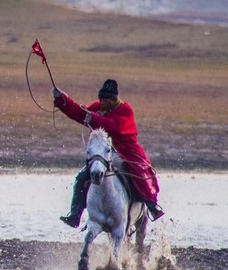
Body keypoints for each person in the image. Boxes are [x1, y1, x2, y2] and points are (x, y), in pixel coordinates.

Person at [53, 79, 164, 227]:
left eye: (104, 100)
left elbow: (114, 125)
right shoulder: (98, 108)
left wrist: (94, 118)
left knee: (140, 173)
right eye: (101, 99)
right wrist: (63, 100)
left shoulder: (125, 111)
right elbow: (80, 112)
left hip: (126, 151)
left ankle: (152, 205)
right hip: (105, 152)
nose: (101, 102)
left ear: (113, 100)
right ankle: (75, 214)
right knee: (82, 177)